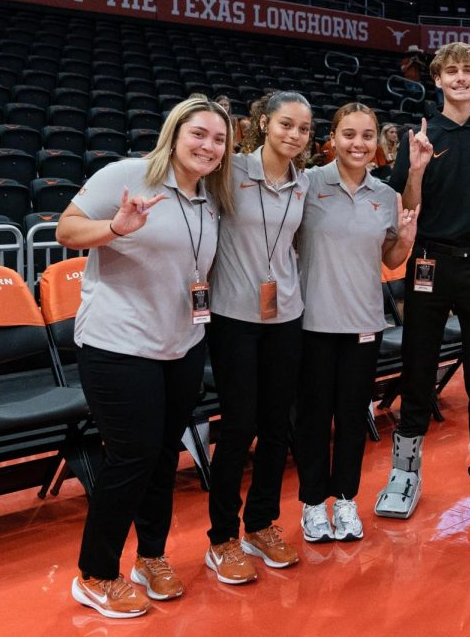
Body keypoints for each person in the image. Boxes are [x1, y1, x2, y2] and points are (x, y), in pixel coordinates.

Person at [58, 95, 233, 618]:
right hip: (118, 344)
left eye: (219, 139)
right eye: (198, 134)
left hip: (181, 343)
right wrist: (114, 229)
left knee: (162, 455)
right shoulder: (128, 175)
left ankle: (151, 557)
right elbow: (66, 231)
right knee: (132, 455)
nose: (208, 145)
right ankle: (95, 573)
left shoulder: (210, 197)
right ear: (174, 133)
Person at [374, 41, 470, 520]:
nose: (459, 78)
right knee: (417, 371)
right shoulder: (422, 133)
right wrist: (415, 169)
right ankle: (404, 474)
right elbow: (406, 204)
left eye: (468, 71)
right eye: (450, 71)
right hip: (427, 262)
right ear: (436, 80)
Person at [294, 103, 418, 542]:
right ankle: (312, 504)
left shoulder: (386, 196)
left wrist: (404, 241)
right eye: (349, 134)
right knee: (311, 418)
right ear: (332, 138)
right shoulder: (306, 184)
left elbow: (390, 258)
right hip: (311, 322)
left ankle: (345, 500)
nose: (358, 144)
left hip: (364, 323)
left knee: (352, 417)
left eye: (367, 135)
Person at [203, 92, 312, 586]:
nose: (294, 134)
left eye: (304, 129)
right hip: (233, 316)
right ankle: (222, 536)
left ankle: (261, 524)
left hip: (286, 315)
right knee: (238, 425)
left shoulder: (303, 183)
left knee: (276, 425)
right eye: (286, 124)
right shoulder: (228, 170)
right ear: (264, 123)